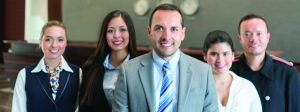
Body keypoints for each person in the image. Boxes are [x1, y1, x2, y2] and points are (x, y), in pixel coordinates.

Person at [112, 4, 219, 112]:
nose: (166, 36)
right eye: (159, 28)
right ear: (149, 32)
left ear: (182, 33)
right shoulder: (128, 72)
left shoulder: (203, 72)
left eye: (174, 29)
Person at [231, 13, 300, 112]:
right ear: (240, 38)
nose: (253, 39)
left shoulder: (287, 73)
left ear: (267, 37)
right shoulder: (229, 70)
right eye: (247, 34)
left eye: (259, 33)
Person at [12, 20, 82, 112]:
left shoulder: (78, 73)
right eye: (48, 39)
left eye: (60, 39)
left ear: (66, 43)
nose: (54, 45)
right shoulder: (24, 75)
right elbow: (18, 109)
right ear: (41, 42)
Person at [79, 10, 138, 112]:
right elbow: (84, 107)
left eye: (122, 30)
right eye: (110, 31)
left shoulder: (141, 68)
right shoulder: (90, 67)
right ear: (104, 35)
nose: (116, 35)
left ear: (130, 33)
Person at [203, 30, 262, 112]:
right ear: (205, 56)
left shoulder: (246, 87)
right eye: (214, 54)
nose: (220, 60)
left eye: (225, 54)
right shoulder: (196, 87)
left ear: (233, 55)